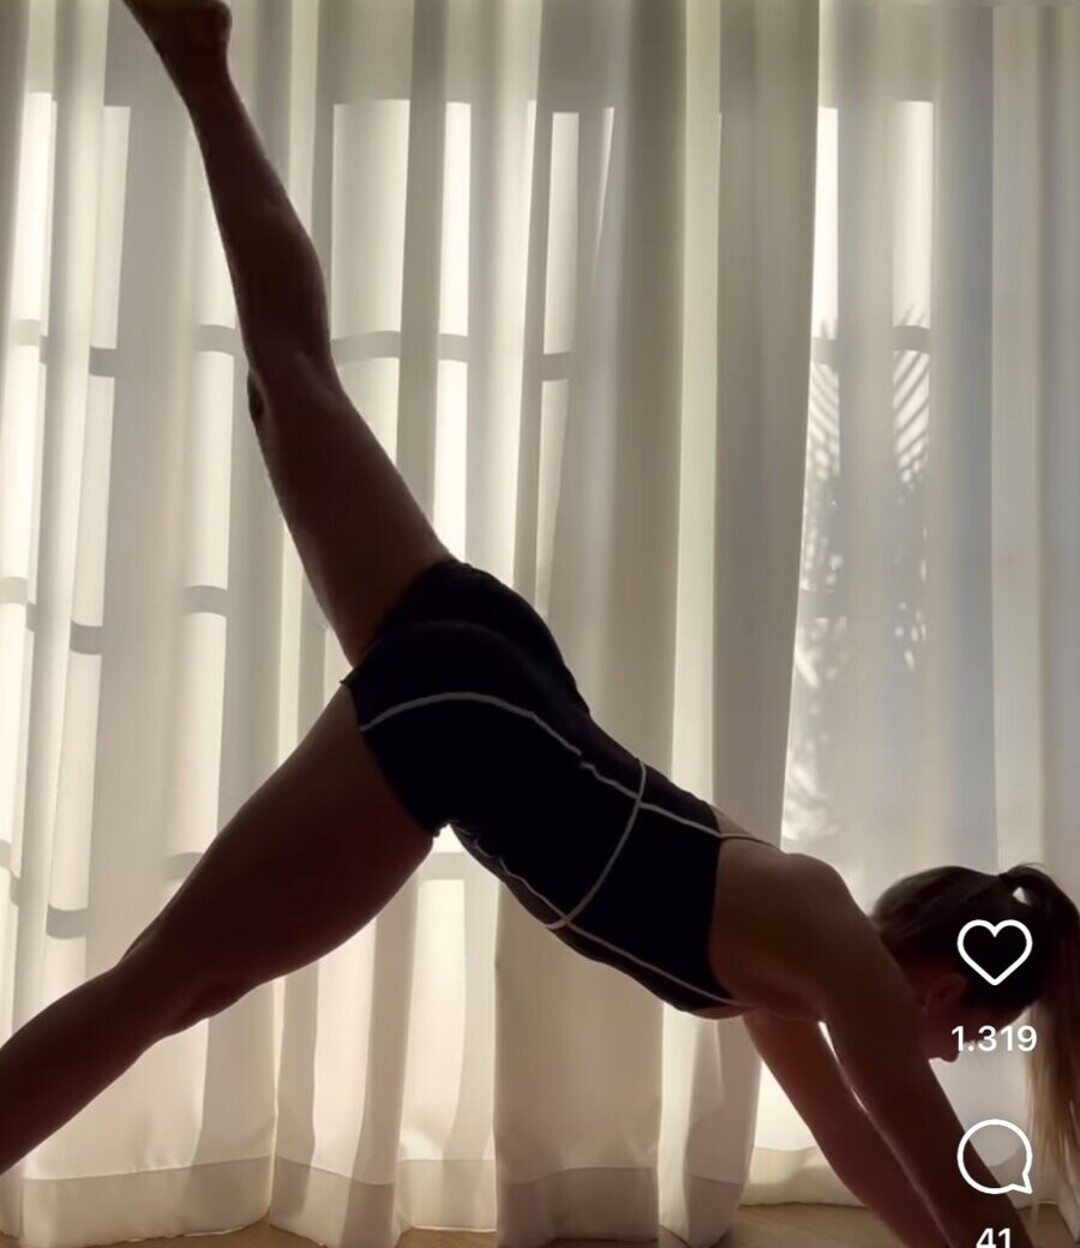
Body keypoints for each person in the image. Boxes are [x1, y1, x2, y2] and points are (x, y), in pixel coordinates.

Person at [0, 4, 1075, 1246]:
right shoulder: (840, 962)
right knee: (168, 983)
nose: (953, 1056)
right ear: (947, 980)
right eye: (977, 1032)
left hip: (498, 663)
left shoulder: (805, 948)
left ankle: (198, 60)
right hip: (474, 722)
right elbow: (955, 1194)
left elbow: (855, 1146)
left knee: (292, 379)